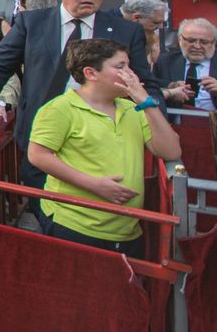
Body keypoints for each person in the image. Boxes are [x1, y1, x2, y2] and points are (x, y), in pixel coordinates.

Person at [0, 0, 163, 215]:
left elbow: (145, 82)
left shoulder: (126, 31)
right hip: (41, 135)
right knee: (44, 210)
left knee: (90, 210)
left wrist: (159, 121)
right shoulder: (31, 23)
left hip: (99, 142)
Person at [27, 38, 181, 255]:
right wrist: (94, 185)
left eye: (129, 65)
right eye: (120, 67)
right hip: (74, 224)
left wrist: (147, 102)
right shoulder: (60, 109)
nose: (131, 74)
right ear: (91, 73)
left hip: (126, 229)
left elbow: (171, 151)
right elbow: (38, 155)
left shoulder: (133, 109)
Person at [119, 0, 168, 67]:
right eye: (156, 22)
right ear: (136, 18)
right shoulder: (110, 26)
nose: (161, 27)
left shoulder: (150, 36)